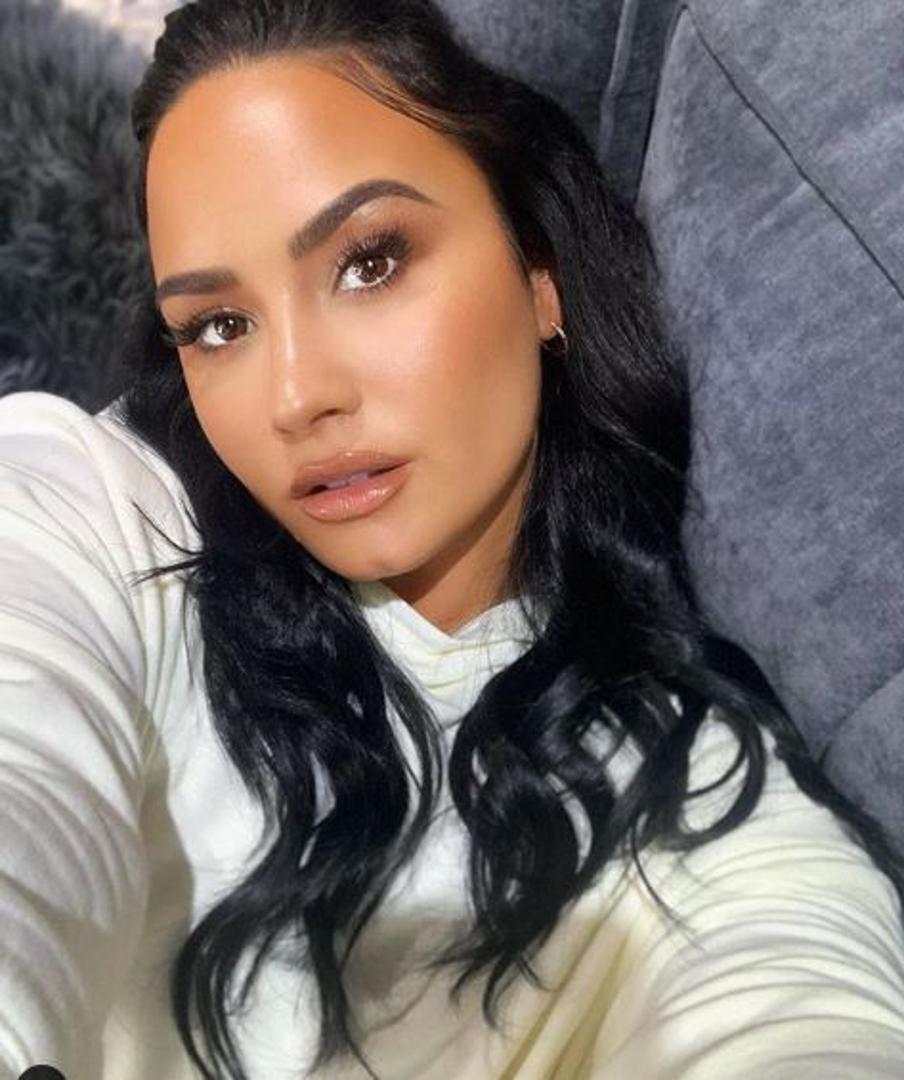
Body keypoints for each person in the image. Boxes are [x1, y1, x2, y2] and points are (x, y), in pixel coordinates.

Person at [1, 0, 903, 1077]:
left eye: (370, 262)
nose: (294, 398)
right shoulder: (103, 507)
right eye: (219, 326)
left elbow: (799, 1009)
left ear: (540, 270)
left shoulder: (706, 802)